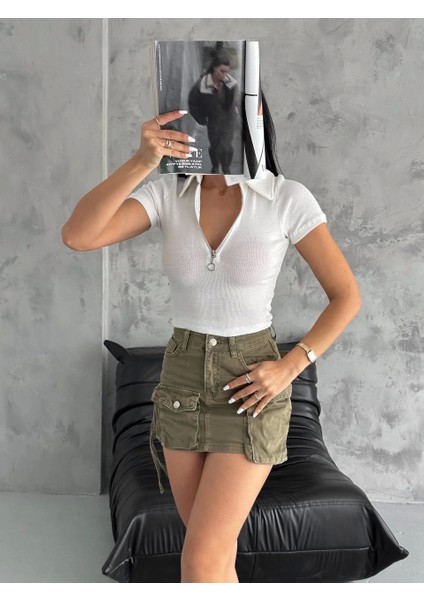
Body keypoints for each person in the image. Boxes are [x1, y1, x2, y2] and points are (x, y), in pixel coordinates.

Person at [61, 93, 362, 583]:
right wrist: (142, 161)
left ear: (256, 114)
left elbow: (346, 296)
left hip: (250, 382)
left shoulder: (285, 197)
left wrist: (291, 366)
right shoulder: (168, 193)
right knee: (214, 558)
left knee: (201, 559)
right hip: (181, 382)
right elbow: (78, 235)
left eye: (236, 104)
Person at [188, 56, 240, 174]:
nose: (225, 74)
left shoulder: (231, 84)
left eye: (227, 71)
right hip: (213, 121)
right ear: (213, 69)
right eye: (222, 71)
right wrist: (201, 119)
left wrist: (238, 114)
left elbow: (237, 101)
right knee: (215, 146)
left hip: (229, 120)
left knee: (226, 146)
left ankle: (226, 168)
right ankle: (215, 166)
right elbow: (193, 103)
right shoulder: (202, 85)